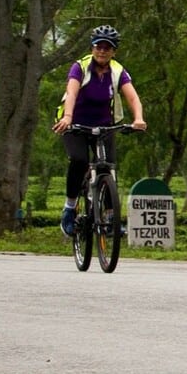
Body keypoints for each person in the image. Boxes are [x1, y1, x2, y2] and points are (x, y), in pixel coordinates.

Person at [54, 25, 148, 238]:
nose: (102, 51)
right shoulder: (80, 67)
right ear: (92, 47)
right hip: (75, 124)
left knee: (107, 166)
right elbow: (71, 92)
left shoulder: (118, 71)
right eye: (99, 47)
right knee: (79, 160)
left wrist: (139, 118)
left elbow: (132, 97)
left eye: (107, 48)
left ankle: (109, 216)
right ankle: (69, 208)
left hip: (104, 126)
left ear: (113, 51)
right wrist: (67, 117)